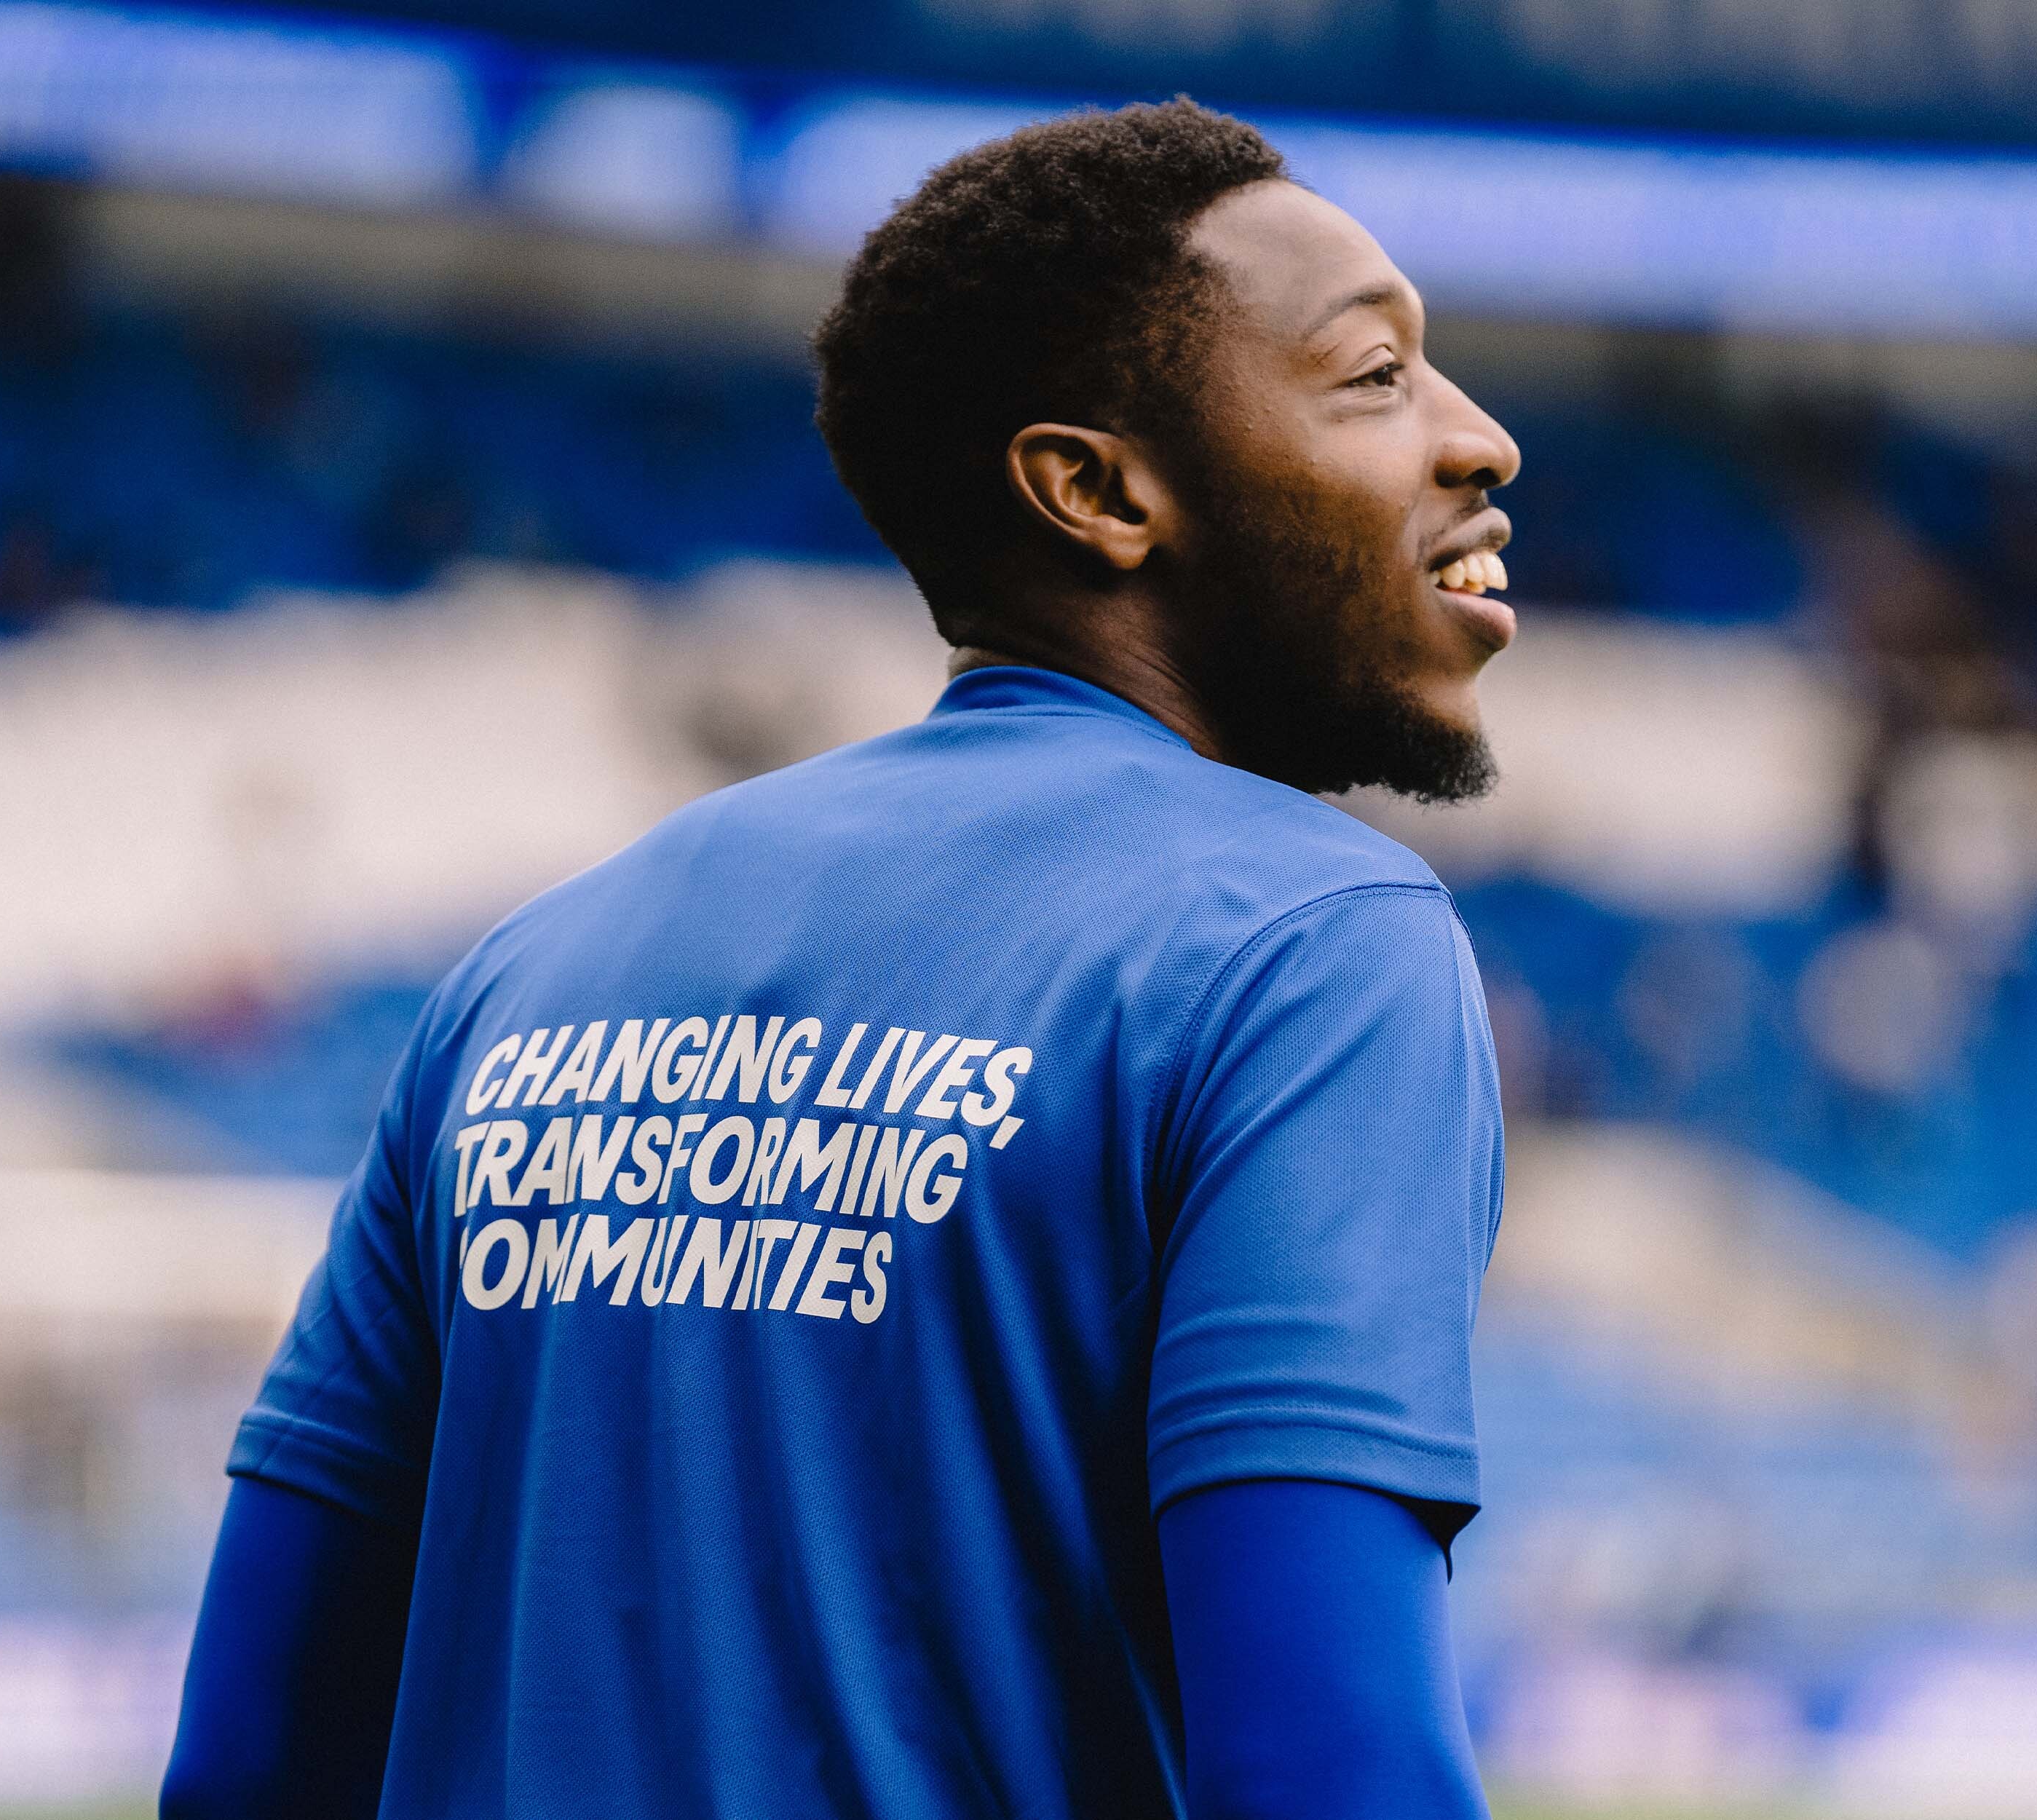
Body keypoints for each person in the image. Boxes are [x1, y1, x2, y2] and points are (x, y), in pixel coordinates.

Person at [164, 98, 1518, 1819]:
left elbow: (248, 1761)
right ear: (1098, 490)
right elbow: (1336, 1769)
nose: (1482, 441)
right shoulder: (1311, 953)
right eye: (1376, 375)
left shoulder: (529, 973)